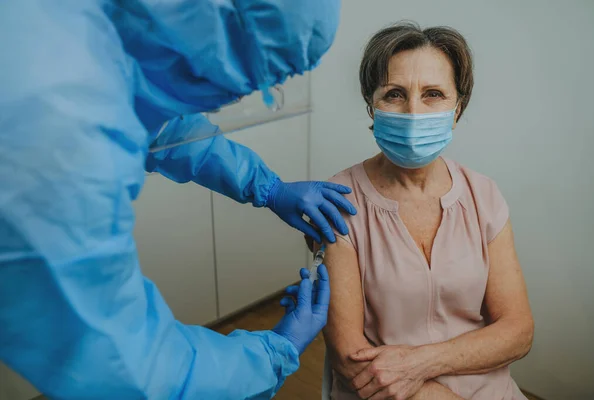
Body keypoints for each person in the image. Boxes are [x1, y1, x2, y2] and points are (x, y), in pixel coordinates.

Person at [0, 1, 352, 399]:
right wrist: (271, 354)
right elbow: (125, 367)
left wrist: (266, 186)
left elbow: (166, 126)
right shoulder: (52, 130)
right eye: (244, 82)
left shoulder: (88, 30)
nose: (232, 100)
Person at [306, 22, 535, 399]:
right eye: (394, 94)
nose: (413, 113)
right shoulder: (338, 203)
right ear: (371, 106)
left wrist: (421, 363)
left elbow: (518, 331)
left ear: (457, 108)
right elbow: (352, 360)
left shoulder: (484, 196)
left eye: (433, 94)